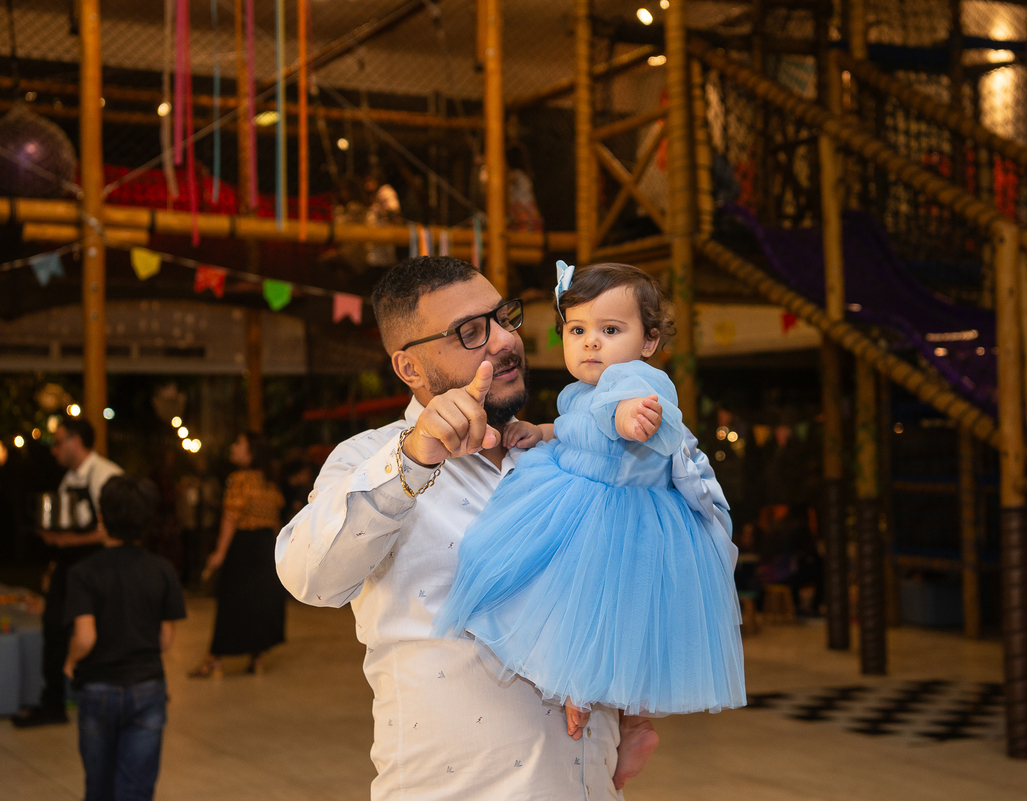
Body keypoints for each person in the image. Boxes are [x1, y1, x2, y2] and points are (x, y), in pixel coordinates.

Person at [277, 256, 727, 799]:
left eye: (504, 317)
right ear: (410, 368)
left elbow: (655, 572)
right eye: (470, 332)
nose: (504, 340)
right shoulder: (373, 459)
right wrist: (413, 460)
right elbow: (308, 577)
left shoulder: (568, 455)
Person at [431, 262, 744, 745]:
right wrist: (541, 431)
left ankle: (609, 711)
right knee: (574, 611)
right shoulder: (582, 390)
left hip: (614, 517)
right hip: (580, 496)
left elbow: (630, 413)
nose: (591, 343)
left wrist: (631, 418)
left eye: (610, 330)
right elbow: (579, 425)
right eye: (577, 330)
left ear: (649, 342)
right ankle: (603, 710)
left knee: (587, 612)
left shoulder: (637, 382)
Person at [62, 476, 187, 801]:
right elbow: (165, 640)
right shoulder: (163, 570)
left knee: (98, 787)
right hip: (147, 688)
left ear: (101, 517)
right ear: (148, 521)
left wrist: (70, 661)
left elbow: (85, 637)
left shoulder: (83, 572)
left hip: (97, 688)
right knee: (136, 790)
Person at [14, 417, 123, 728]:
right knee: (53, 627)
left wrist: (66, 541)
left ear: (76, 441)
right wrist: (55, 561)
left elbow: (113, 531)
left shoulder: (106, 474)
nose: (54, 450)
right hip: (70, 563)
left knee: (97, 632)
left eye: (58, 442)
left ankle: (98, 694)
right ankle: (53, 701)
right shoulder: (69, 478)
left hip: (99, 564)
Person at [190, 433, 286, 678]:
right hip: (266, 546)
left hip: (244, 546)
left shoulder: (239, 479)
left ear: (251, 451)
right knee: (258, 603)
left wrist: (220, 551)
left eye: (238, 444)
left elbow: (231, 517)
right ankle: (256, 658)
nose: (233, 448)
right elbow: (275, 521)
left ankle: (215, 660)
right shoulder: (270, 481)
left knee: (232, 603)